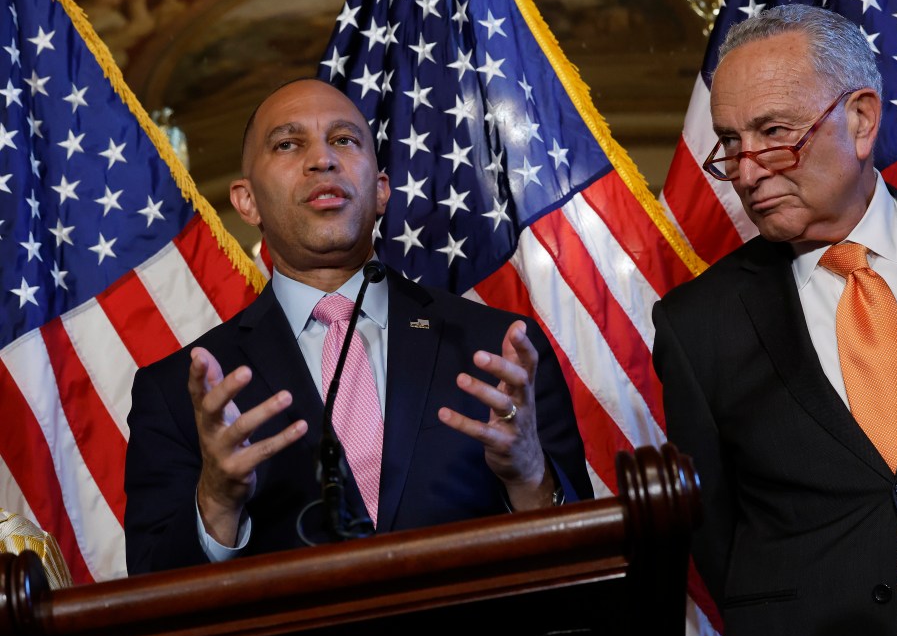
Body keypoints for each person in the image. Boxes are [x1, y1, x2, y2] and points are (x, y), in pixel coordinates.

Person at [652, 4, 897, 636]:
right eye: (732, 143)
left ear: (859, 120)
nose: (746, 172)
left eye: (773, 132)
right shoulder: (696, 324)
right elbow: (719, 543)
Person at [124, 78, 593, 574]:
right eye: (287, 144)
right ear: (246, 202)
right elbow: (153, 601)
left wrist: (530, 479)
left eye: (344, 140)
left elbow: (588, 570)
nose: (322, 160)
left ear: (381, 191)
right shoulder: (176, 391)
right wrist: (216, 502)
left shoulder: (502, 353)